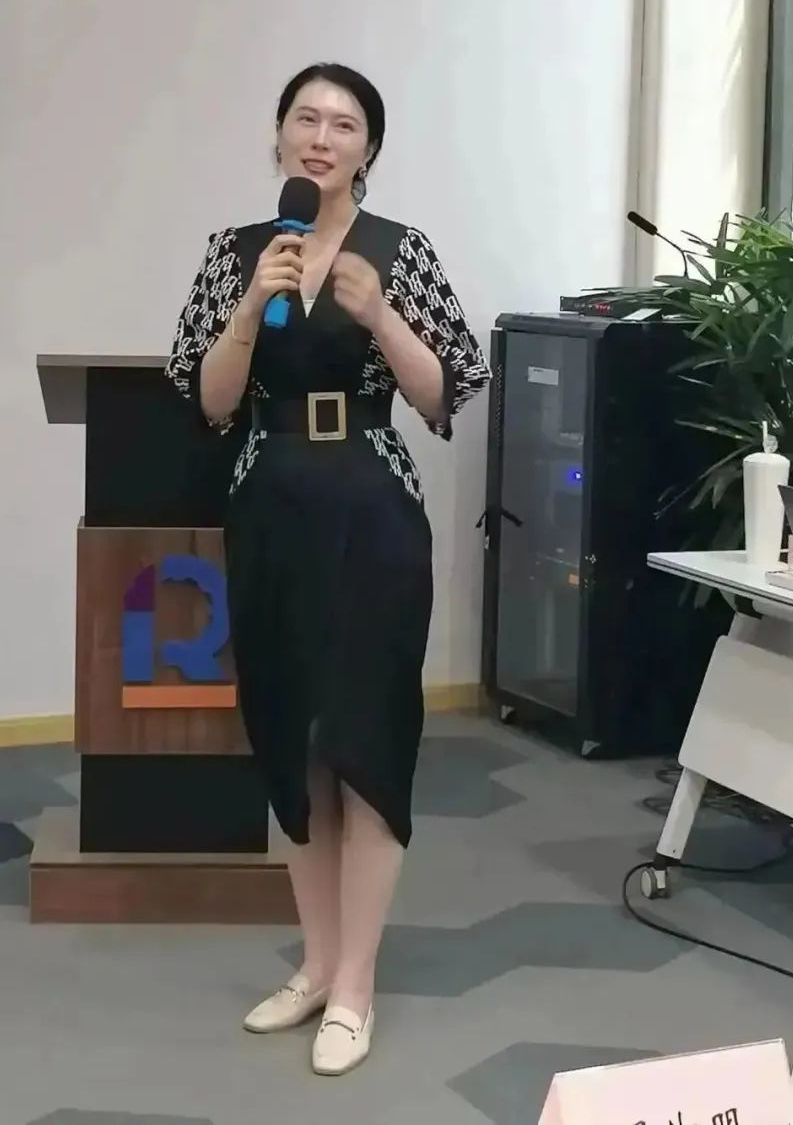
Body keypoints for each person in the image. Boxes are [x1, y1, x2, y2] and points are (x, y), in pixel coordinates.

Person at [165, 63, 490, 1075]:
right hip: (269, 503)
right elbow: (210, 399)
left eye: (344, 124)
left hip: (372, 505)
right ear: (278, 137)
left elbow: (447, 388)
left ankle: (357, 982)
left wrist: (382, 313)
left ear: (368, 149)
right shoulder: (237, 252)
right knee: (293, 736)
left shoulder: (401, 250)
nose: (321, 137)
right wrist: (247, 308)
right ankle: (314, 964)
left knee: (365, 739)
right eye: (305, 118)